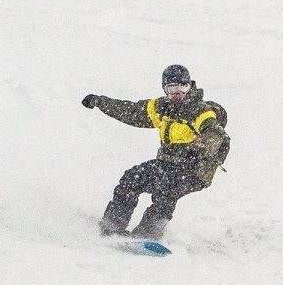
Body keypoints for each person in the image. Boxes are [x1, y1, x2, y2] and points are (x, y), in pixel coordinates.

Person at [81, 64, 229, 241]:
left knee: (167, 188)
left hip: (194, 169)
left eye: (183, 87)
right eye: (172, 88)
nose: (178, 93)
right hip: (168, 164)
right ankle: (112, 224)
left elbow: (215, 133)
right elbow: (132, 111)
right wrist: (99, 101)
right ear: (165, 88)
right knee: (132, 177)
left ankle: (148, 233)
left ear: (190, 86)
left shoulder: (200, 111)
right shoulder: (162, 108)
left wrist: (200, 147)